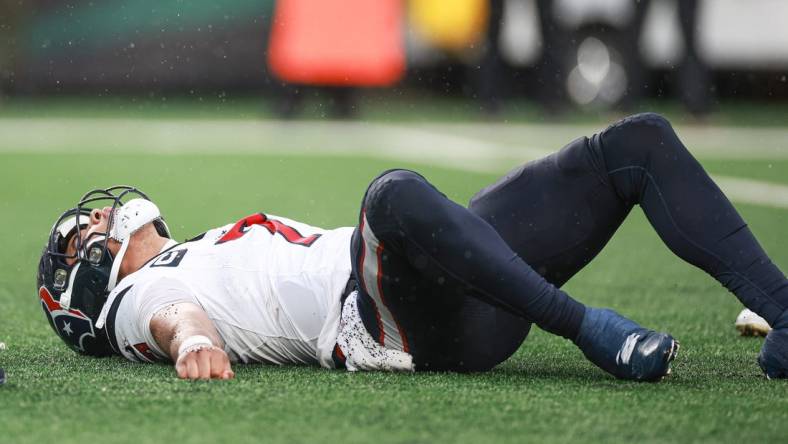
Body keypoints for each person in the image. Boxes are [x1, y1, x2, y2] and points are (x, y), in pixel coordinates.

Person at [37, 113, 788, 381]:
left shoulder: (181, 252)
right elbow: (174, 317)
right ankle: (593, 330)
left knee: (635, 144)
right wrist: (193, 342)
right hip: (386, 324)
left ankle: (786, 318)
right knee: (390, 196)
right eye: (85, 236)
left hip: (443, 278)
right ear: (87, 290)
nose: (98, 223)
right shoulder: (132, 304)